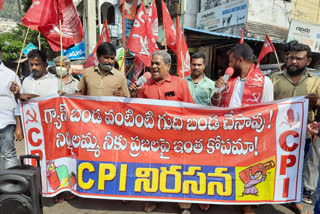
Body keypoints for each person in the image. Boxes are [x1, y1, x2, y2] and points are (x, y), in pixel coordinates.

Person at [129, 50, 194, 214]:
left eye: (158, 63)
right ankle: (153, 199)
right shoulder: (145, 86)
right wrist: (134, 95)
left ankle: (184, 205)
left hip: (176, 140)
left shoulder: (180, 83)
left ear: (168, 66)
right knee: (152, 169)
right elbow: (139, 113)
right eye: (153, 63)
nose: (154, 66)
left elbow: (191, 110)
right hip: (152, 140)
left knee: (179, 171)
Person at [211, 43, 274, 214]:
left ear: (240, 60)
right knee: (220, 164)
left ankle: (245, 202)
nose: (229, 66)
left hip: (249, 136)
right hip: (225, 132)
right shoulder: (227, 80)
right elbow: (214, 106)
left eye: (231, 62)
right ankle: (211, 196)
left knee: (246, 169)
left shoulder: (265, 82)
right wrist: (217, 91)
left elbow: (267, 112)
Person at [270, 42, 318, 214]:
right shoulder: (274, 78)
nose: (293, 61)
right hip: (276, 135)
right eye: (291, 57)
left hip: (302, 135)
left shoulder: (316, 81)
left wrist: (316, 102)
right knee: (272, 166)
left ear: (308, 61)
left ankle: (295, 200)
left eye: (299, 58)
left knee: (298, 170)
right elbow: (265, 105)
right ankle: (267, 196)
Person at [0, 44, 23, 169]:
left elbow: (18, 100)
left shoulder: (10, 75)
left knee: (8, 154)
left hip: (6, 122)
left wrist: (18, 126)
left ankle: (10, 185)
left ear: (1, 53)